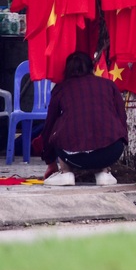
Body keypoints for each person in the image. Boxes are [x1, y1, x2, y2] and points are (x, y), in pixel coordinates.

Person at [41, 52, 128, 186]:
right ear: (92, 68)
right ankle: (104, 172)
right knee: (107, 124)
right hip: (111, 152)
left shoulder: (61, 89)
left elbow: (49, 126)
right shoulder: (109, 85)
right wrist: (122, 140)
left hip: (73, 157)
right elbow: (122, 118)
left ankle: (66, 173)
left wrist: (50, 162)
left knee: (59, 124)